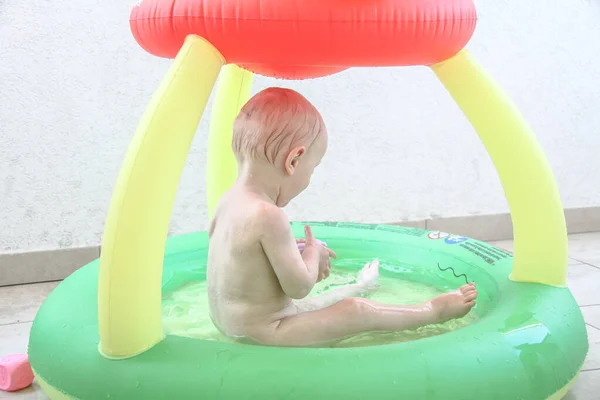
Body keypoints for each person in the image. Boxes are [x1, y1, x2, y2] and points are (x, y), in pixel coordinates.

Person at [207, 87, 478, 347]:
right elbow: (299, 287)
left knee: (324, 304)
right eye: (312, 168)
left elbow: (246, 267)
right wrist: (313, 253)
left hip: (233, 325)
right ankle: (432, 310)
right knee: (355, 311)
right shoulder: (269, 215)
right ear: (294, 160)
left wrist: (294, 250)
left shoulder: (227, 203)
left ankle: (361, 286)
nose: (309, 177)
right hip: (268, 333)